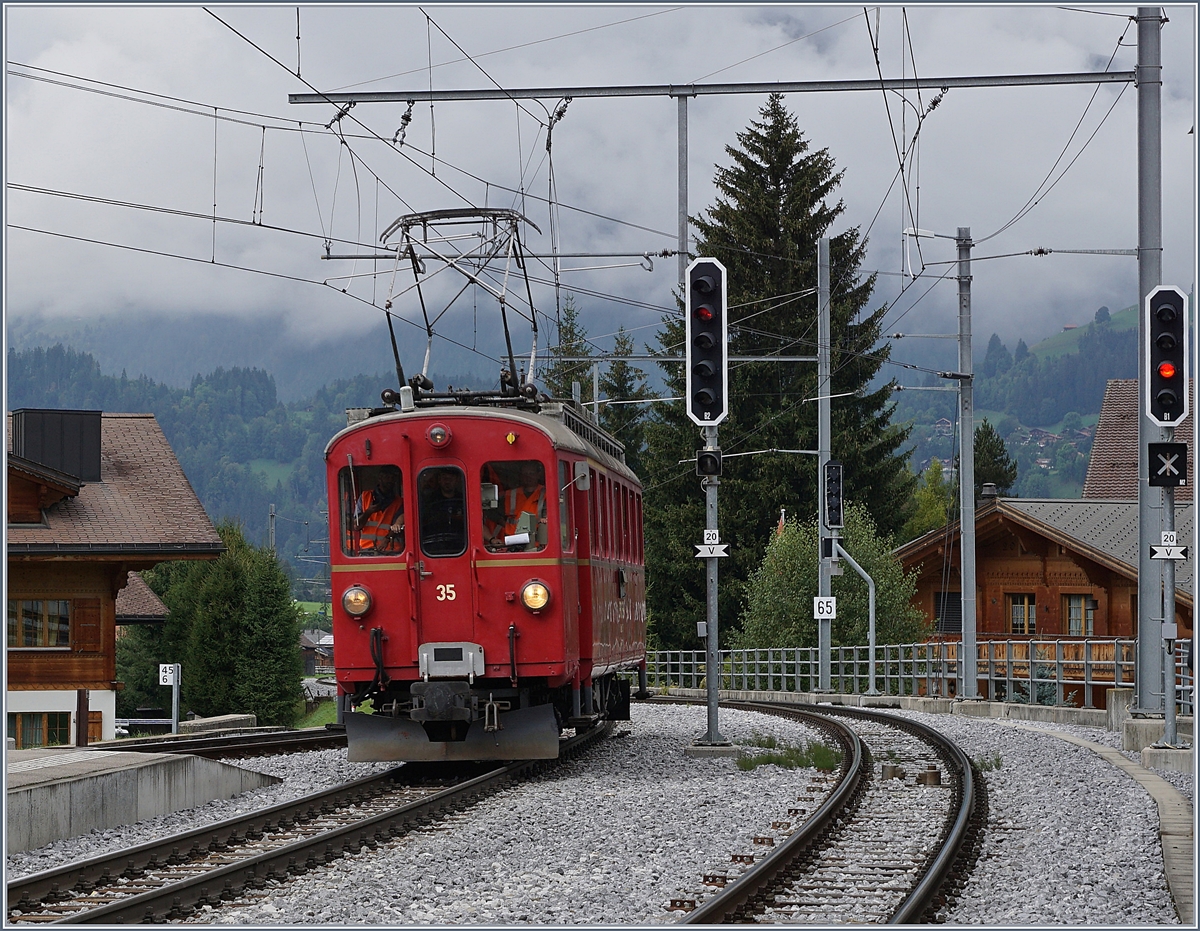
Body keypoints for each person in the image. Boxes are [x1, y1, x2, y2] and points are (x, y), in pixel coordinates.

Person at [492, 462, 547, 549]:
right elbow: (492, 512)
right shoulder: (509, 494)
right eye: (525, 474)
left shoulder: (546, 494)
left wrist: (545, 519)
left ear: (538, 475)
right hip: (510, 543)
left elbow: (550, 515)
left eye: (531, 473)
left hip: (537, 545)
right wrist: (504, 523)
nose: (528, 477)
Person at [355, 466, 404, 553]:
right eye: (387, 477)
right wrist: (369, 512)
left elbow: (399, 523)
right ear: (380, 478)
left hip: (392, 551)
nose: (390, 480)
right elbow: (356, 525)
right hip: (367, 550)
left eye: (393, 478)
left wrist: (387, 539)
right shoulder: (364, 497)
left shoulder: (399, 502)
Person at [420, 468, 466, 554]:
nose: (447, 482)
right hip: (432, 548)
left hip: (461, 546)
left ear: (457, 481)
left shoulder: (464, 499)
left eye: (451, 479)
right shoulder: (429, 500)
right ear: (439, 480)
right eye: (445, 479)